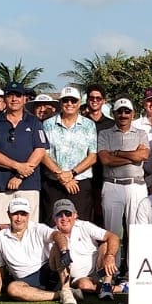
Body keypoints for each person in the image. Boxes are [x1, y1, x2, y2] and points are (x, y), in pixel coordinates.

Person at [0, 86, 48, 230]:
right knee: (0, 228)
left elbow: (40, 150)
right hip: (1, 184)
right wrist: (17, 166)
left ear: (24, 98)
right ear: (5, 98)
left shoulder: (34, 122)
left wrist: (20, 176)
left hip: (29, 184)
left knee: (29, 228)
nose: (14, 99)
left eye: (18, 96)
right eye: (10, 96)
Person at [97, 97, 149, 261]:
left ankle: (133, 269)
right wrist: (133, 157)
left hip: (136, 186)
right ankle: (112, 269)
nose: (123, 115)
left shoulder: (141, 133)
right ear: (114, 114)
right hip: (113, 185)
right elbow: (106, 160)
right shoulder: (105, 134)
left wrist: (118, 153)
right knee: (111, 231)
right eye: (120, 111)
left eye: (127, 111)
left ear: (133, 114)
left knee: (135, 230)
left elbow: (143, 155)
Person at [42, 87, 99, 221]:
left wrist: (71, 174)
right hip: (54, 183)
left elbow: (92, 156)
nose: (69, 104)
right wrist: (60, 175)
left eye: (73, 101)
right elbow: (44, 155)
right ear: (60, 103)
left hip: (79, 183)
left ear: (79, 103)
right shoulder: (48, 124)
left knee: (80, 225)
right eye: (65, 100)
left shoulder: (89, 125)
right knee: (53, 225)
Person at [48, 198, 120, 303]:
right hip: (74, 278)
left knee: (105, 244)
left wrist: (110, 256)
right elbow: (51, 265)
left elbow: (113, 237)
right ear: (54, 218)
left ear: (75, 215)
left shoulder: (85, 226)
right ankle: (121, 288)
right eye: (59, 214)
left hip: (98, 271)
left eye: (68, 213)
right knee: (85, 285)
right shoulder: (50, 233)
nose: (64, 218)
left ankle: (107, 284)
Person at [0, 197, 59, 303]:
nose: (19, 218)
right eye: (15, 214)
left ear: (28, 215)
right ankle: (58, 295)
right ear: (9, 214)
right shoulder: (0, 237)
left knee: (60, 245)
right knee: (13, 289)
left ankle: (66, 289)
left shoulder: (38, 228)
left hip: (49, 271)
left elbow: (57, 235)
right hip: (25, 282)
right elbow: (0, 268)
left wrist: (64, 249)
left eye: (23, 214)